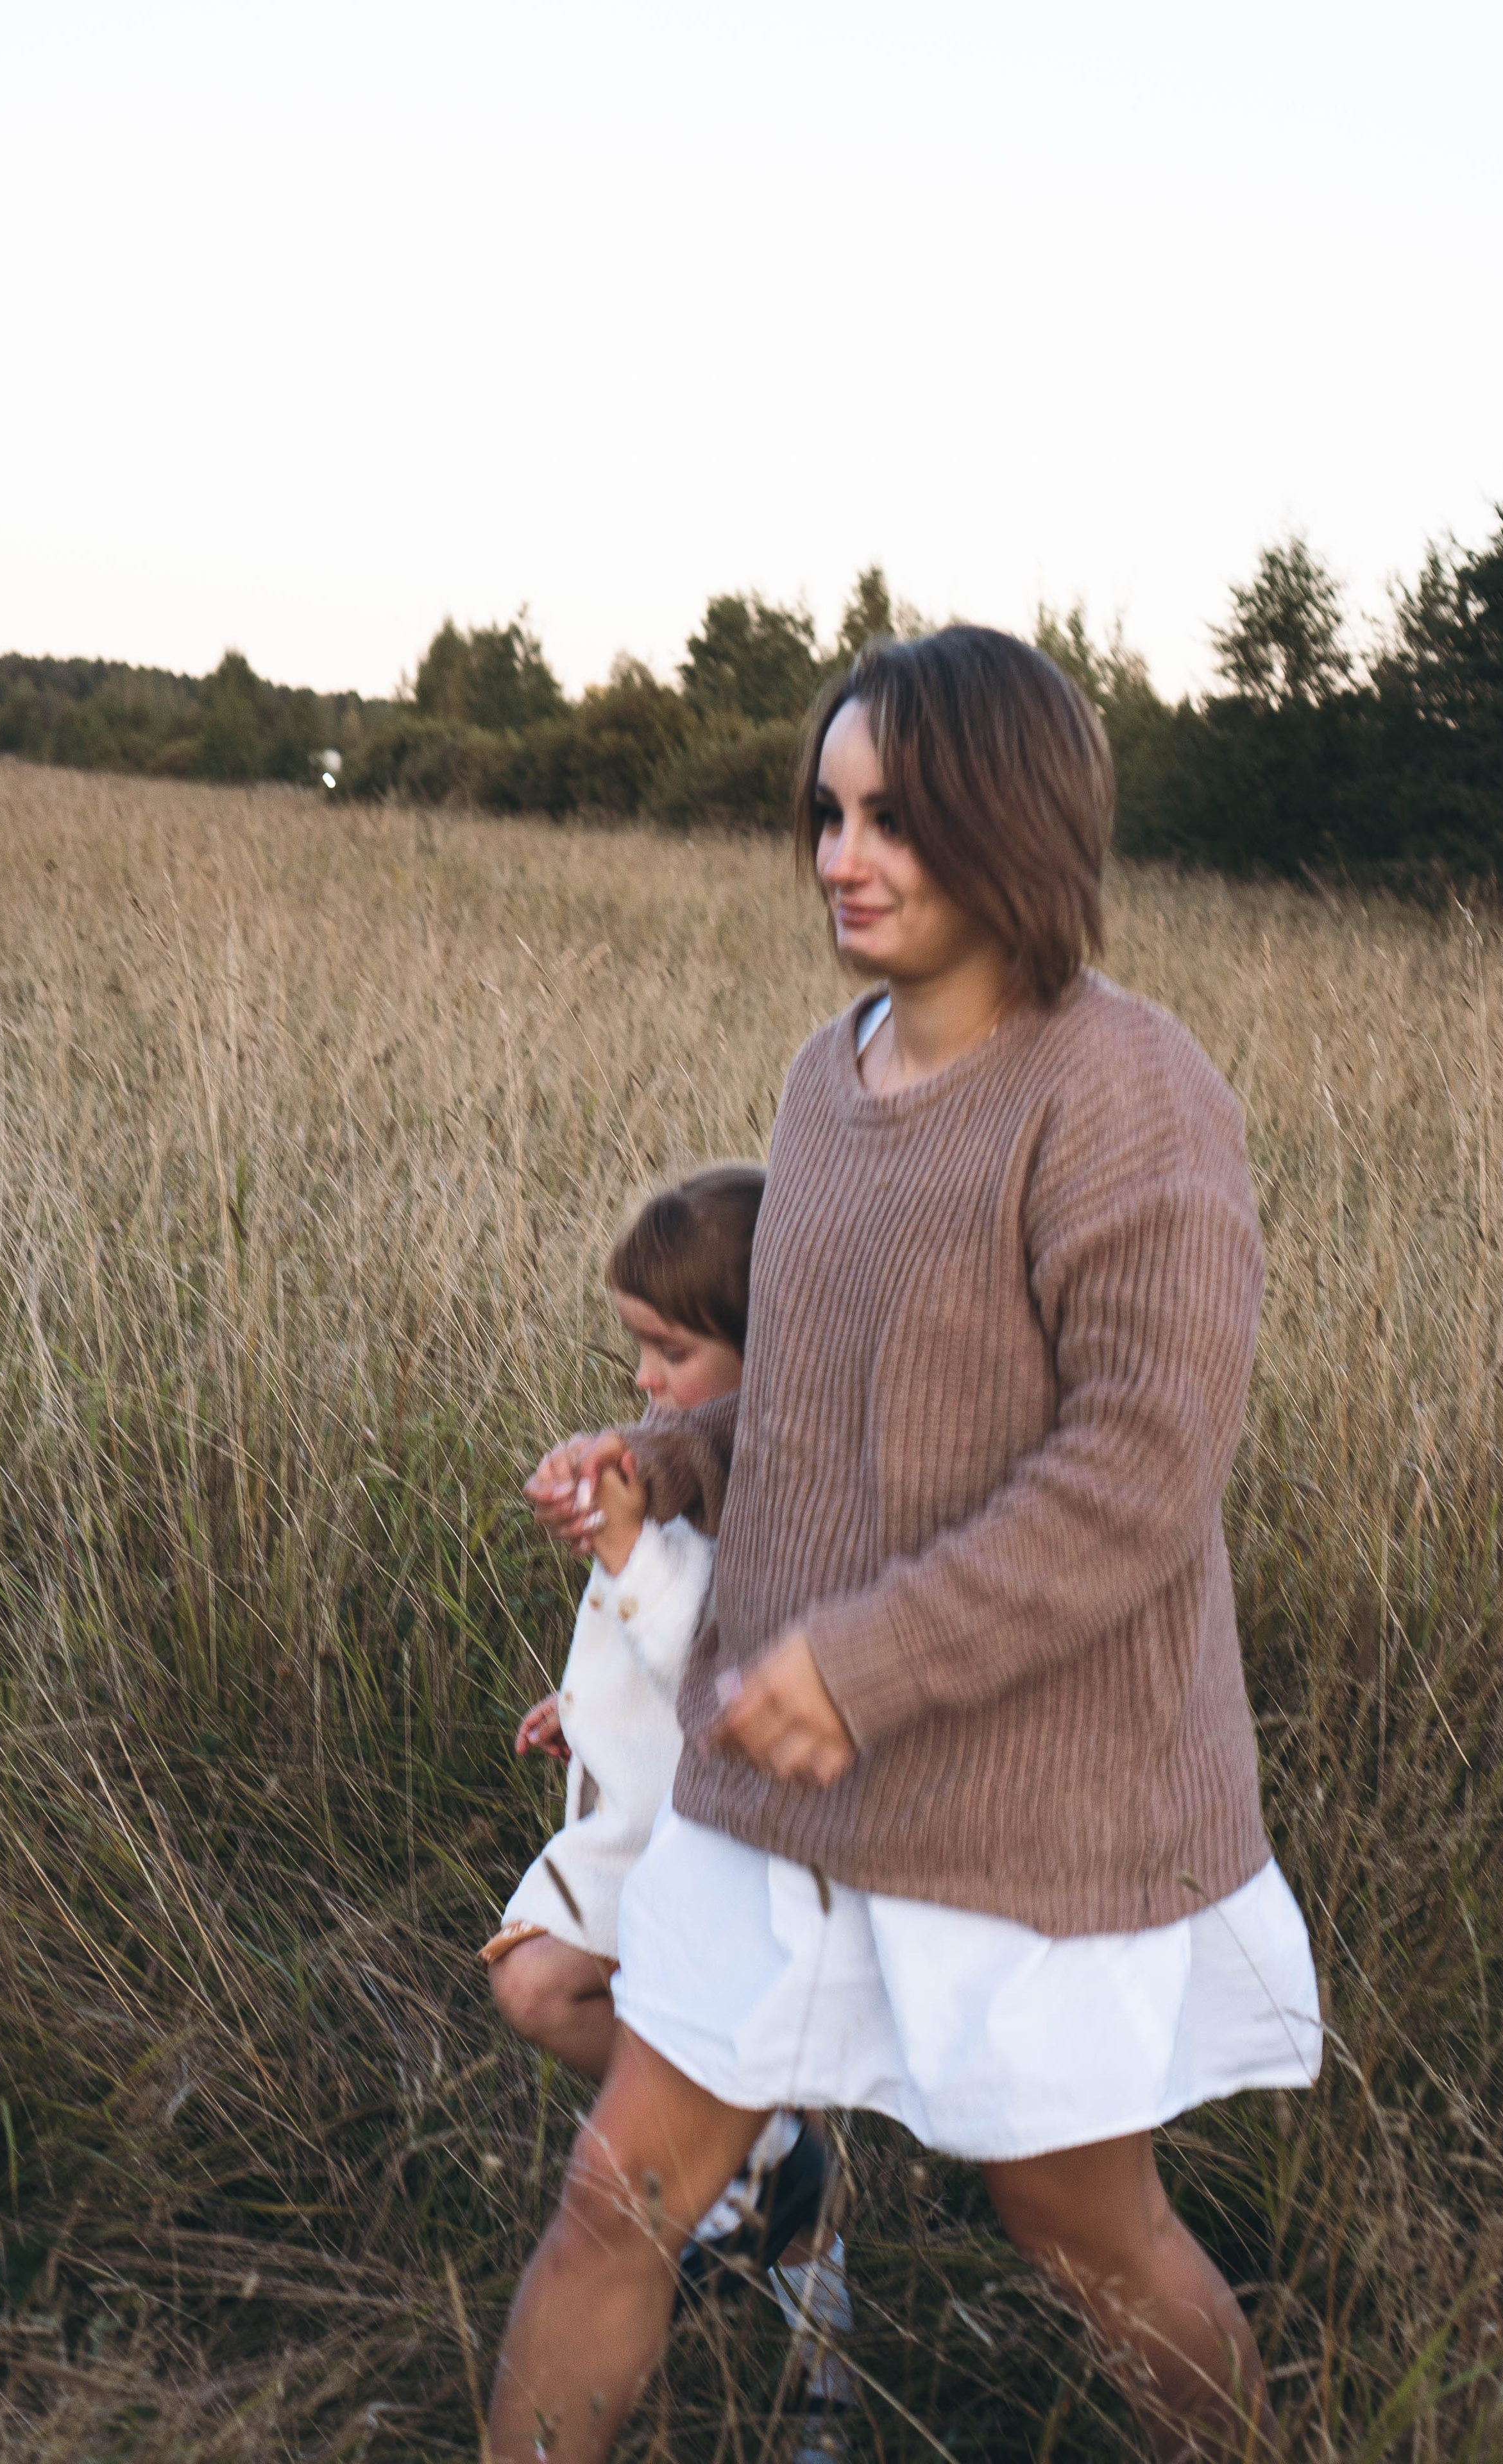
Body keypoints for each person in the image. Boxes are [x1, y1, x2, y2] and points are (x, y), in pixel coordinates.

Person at [494, 626, 1323, 2463]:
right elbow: (805, 1403)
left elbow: (1142, 1466)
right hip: (772, 1793)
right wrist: (664, 1463)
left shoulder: (1125, 1091)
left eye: (894, 818)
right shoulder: (823, 1073)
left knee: (1083, 2232)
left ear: (1012, 826)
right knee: (615, 2196)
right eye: (828, 811)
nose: (840, 856)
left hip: (1017, 1803)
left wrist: (867, 1667)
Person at [482, 1167, 853, 2413]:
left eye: (671, 1349)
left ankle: (823, 2388)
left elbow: (715, 1648)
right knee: (538, 1979)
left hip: (739, 1845)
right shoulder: (674, 1457)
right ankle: (763, 2161)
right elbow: (641, 1654)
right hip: (643, 1820)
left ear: (767, 1352)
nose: (642, 1378)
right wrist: (576, 1709)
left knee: (717, 2075)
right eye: (634, 1346)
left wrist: (629, 1549)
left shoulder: (792, 1491)